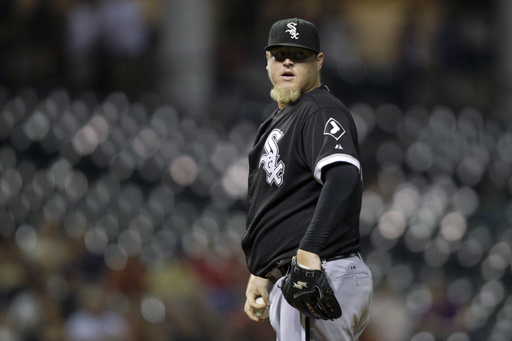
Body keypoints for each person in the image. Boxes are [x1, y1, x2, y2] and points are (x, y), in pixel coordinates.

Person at [241, 18, 373, 340]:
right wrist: (263, 272)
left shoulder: (320, 110)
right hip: (299, 276)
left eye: (299, 55)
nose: (288, 61)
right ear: (267, 61)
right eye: (280, 53)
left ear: (319, 61)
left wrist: (309, 249)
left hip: (321, 271)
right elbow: (277, 202)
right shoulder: (282, 119)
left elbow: (343, 176)